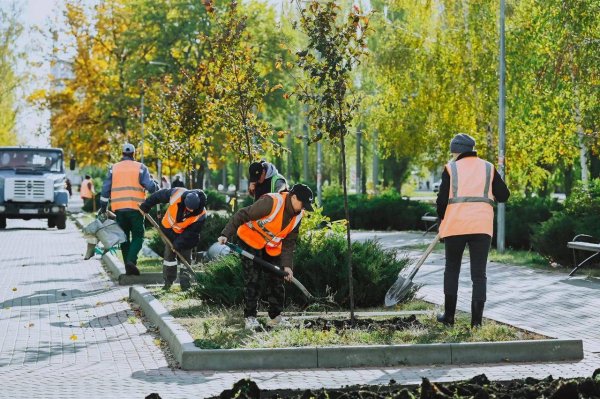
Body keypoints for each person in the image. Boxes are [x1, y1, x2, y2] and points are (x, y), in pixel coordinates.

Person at [435, 133, 510, 328]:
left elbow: (442, 201)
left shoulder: (450, 169)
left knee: (452, 270)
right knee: (479, 274)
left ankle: (449, 317)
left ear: (456, 151)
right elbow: (503, 195)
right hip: (481, 227)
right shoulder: (488, 168)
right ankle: (476, 323)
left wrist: (441, 221)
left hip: (455, 226)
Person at [218, 184, 314, 330]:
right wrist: (226, 233)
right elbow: (243, 214)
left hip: (271, 247)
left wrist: (287, 266)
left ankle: (275, 318)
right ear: (294, 197)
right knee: (253, 279)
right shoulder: (272, 202)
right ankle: (250, 317)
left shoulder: (298, 215)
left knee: (277, 279)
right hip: (250, 240)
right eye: (303, 204)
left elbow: (289, 242)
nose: (303, 208)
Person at [99, 143, 159, 275]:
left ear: (122, 154)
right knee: (138, 236)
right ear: (134, 154)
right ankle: (131, 261)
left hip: (119, 209)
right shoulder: (141, 168)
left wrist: (103, 207)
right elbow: (150, 187)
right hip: (136, 208)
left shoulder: (113, 168)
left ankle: (128, 266)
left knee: (124, 237)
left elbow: (105, 189)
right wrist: (156, 185)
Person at [139, 188, 207, 291]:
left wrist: (178, 244)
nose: (189, 211)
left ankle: (185, 285)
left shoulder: (201, 214)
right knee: (168, 257)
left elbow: (192, 233)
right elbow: (158, 196)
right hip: (168, 230)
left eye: (191, 209)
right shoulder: (177, 194)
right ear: (184, 201)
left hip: (186, 237)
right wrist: (146, 206)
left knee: (186, 259)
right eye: (187, 208)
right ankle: (168, 282)